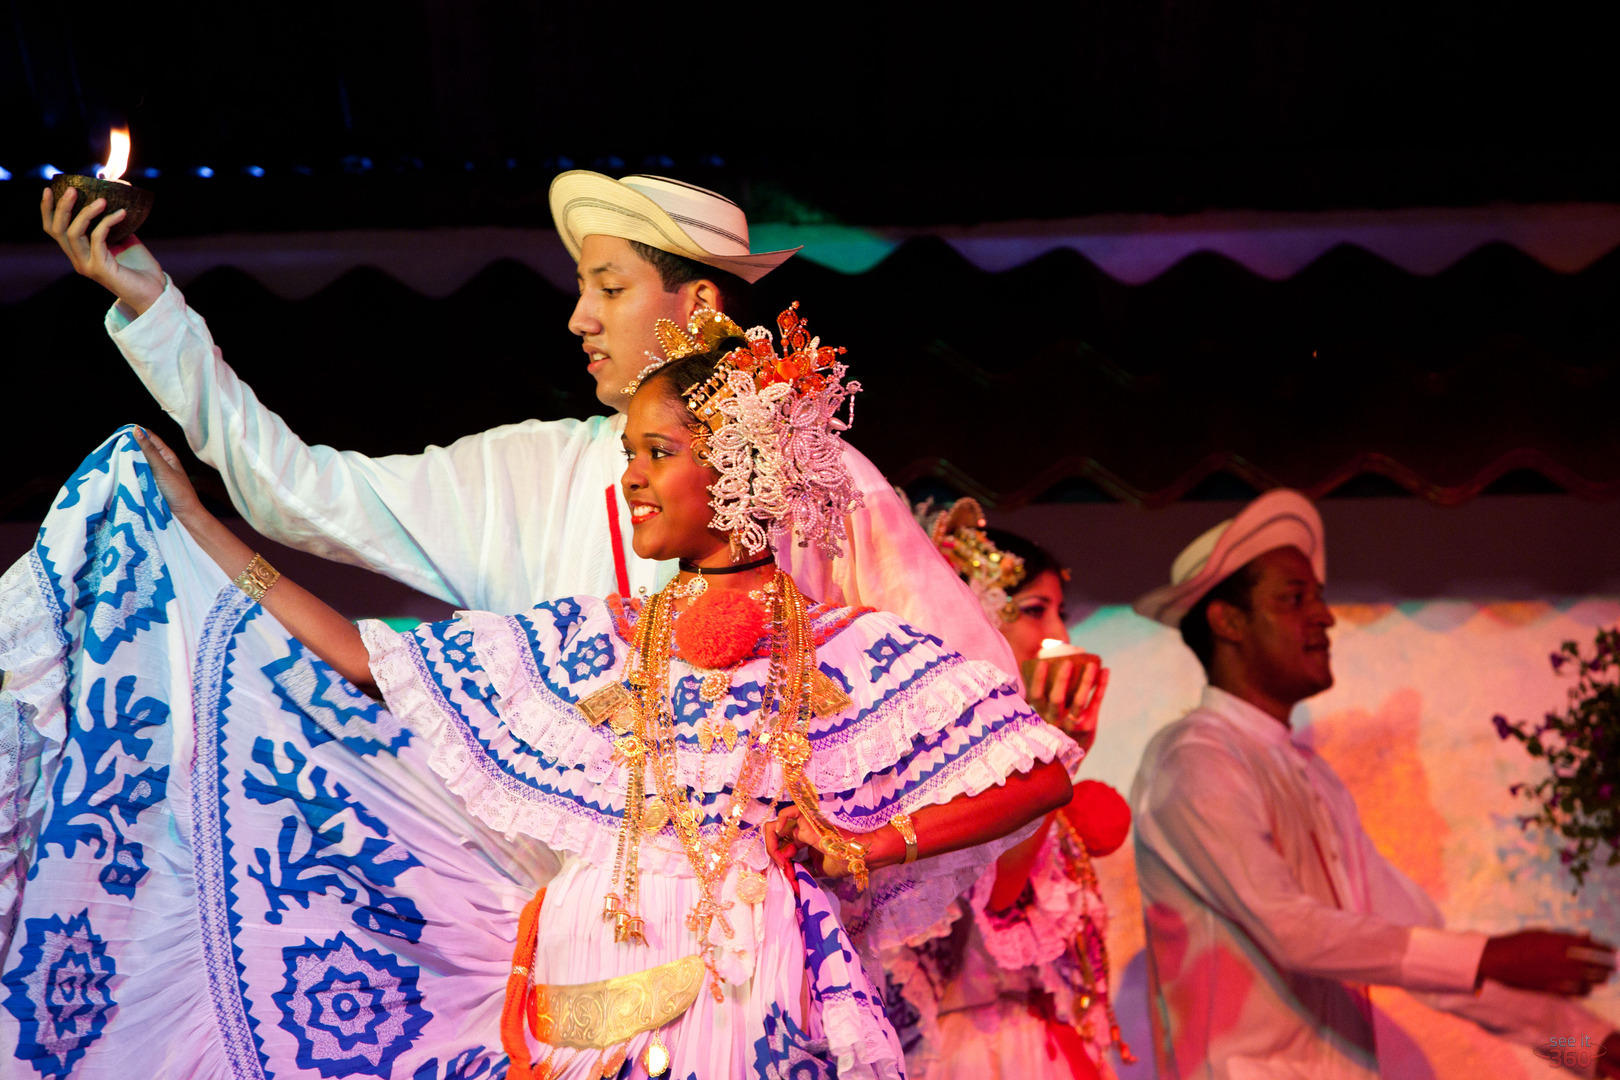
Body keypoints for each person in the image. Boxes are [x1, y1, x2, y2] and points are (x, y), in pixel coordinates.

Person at [1, 303, 1082, 1079]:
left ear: (741, 472)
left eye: (657, 452)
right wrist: (209, 542)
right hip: (586, 980)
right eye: (630, 452)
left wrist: (866, 845)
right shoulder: (596, 639)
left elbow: (1037, 771)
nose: (633, 477)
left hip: (752, 985)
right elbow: (369, 657)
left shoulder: (847, 651)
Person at [39, 171, 1016, 681]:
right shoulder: (539, 475)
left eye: (611, 287)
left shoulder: (824, 483)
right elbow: (301, 493)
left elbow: (966, 683)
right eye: (580, 288)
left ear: (703, 302)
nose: (578, 318)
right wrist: (156, 313)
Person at [1128, 488, 1620, 1079]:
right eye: (1294, 598)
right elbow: (1291, 931)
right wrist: (1491, 954)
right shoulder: (1194, 761)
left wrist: (1590, 1050)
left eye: (1319, 598)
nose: (1324, 616)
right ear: (1227, 620)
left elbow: (1431, 962)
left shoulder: (1313, 778)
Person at [888, 501, 1134, 1080]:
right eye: (1034, 610)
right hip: (981, 1049)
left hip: (1041, 1041)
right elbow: (1001, 900)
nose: (1059, 634)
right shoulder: (935, 758)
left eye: (1060, 611)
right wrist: (1052, 763)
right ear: (971, 614)